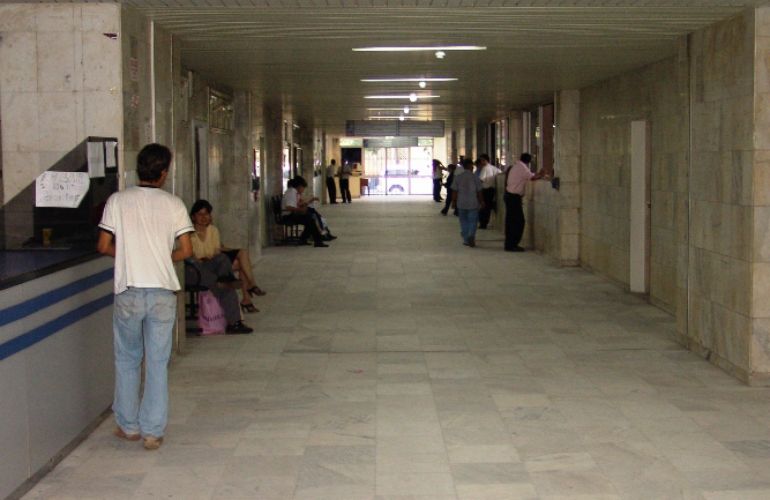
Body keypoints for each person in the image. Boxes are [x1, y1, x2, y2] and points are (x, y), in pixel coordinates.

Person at [97, 143, 194, 450]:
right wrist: (161, 259)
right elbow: (186, 250)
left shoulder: (117, 201)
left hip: (128, 290)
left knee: (127, 358)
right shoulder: (174, 204)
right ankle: (152, 432)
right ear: (163, 172)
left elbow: (103, 245)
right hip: (162, 292)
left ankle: (128, 426)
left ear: (138, 168)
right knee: (157, 362)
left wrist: (129, 256)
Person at [188, 199, 266, 315]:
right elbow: (196, 256)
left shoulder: (213, 230)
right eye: (200, 214)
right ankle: (249, 293)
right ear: (193, 217)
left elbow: (216, 250)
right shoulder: (190, 234)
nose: (203, 217)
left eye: (206, 214)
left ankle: (249, 291)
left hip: (217, 262)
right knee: (240, 262)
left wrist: (231, 250)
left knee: (242, 255)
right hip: (202, 267)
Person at [504, 153, 544, 252]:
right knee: (518, 222)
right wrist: (541, 174)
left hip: (510, 196)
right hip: (513, 197)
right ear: (529, 161)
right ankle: (513, 244)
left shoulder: (516, 166)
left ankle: (509, 244)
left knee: (511, 221)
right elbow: (532, 177)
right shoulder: (522, 167)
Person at [282, 177, 328, 247]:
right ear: (299, 186)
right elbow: (288, 207)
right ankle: (317, 241)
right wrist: (300, 210)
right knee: (311, 219)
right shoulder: (291, 193)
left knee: (311, 217)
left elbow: (296, 204)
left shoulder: (294, 192)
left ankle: (304, 239)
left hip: (292, 214)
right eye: (303, 188)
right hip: (288, 216)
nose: (303, 190)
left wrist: (305, 204)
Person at [451, 158, 484, 247]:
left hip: (461, 203)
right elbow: (479, 191)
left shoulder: (458, 177)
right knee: (473, 221)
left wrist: (453, 202)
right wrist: (481, 201)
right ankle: (471, 235)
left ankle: (466, 240)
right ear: (470, 166)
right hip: (473, 203)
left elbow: (454, 191)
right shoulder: (475, 177)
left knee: (463, 221)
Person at [477, 154, 502, 229]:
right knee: (487, 207)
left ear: (484, 160)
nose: (481, 162)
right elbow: (500, 173)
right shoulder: (494, 168)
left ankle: (483, 223)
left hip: (485, 190)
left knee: (483, 206)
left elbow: (481, 180)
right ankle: (485, 222)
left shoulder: (485, 168)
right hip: (492, 190)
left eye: (481, 160)